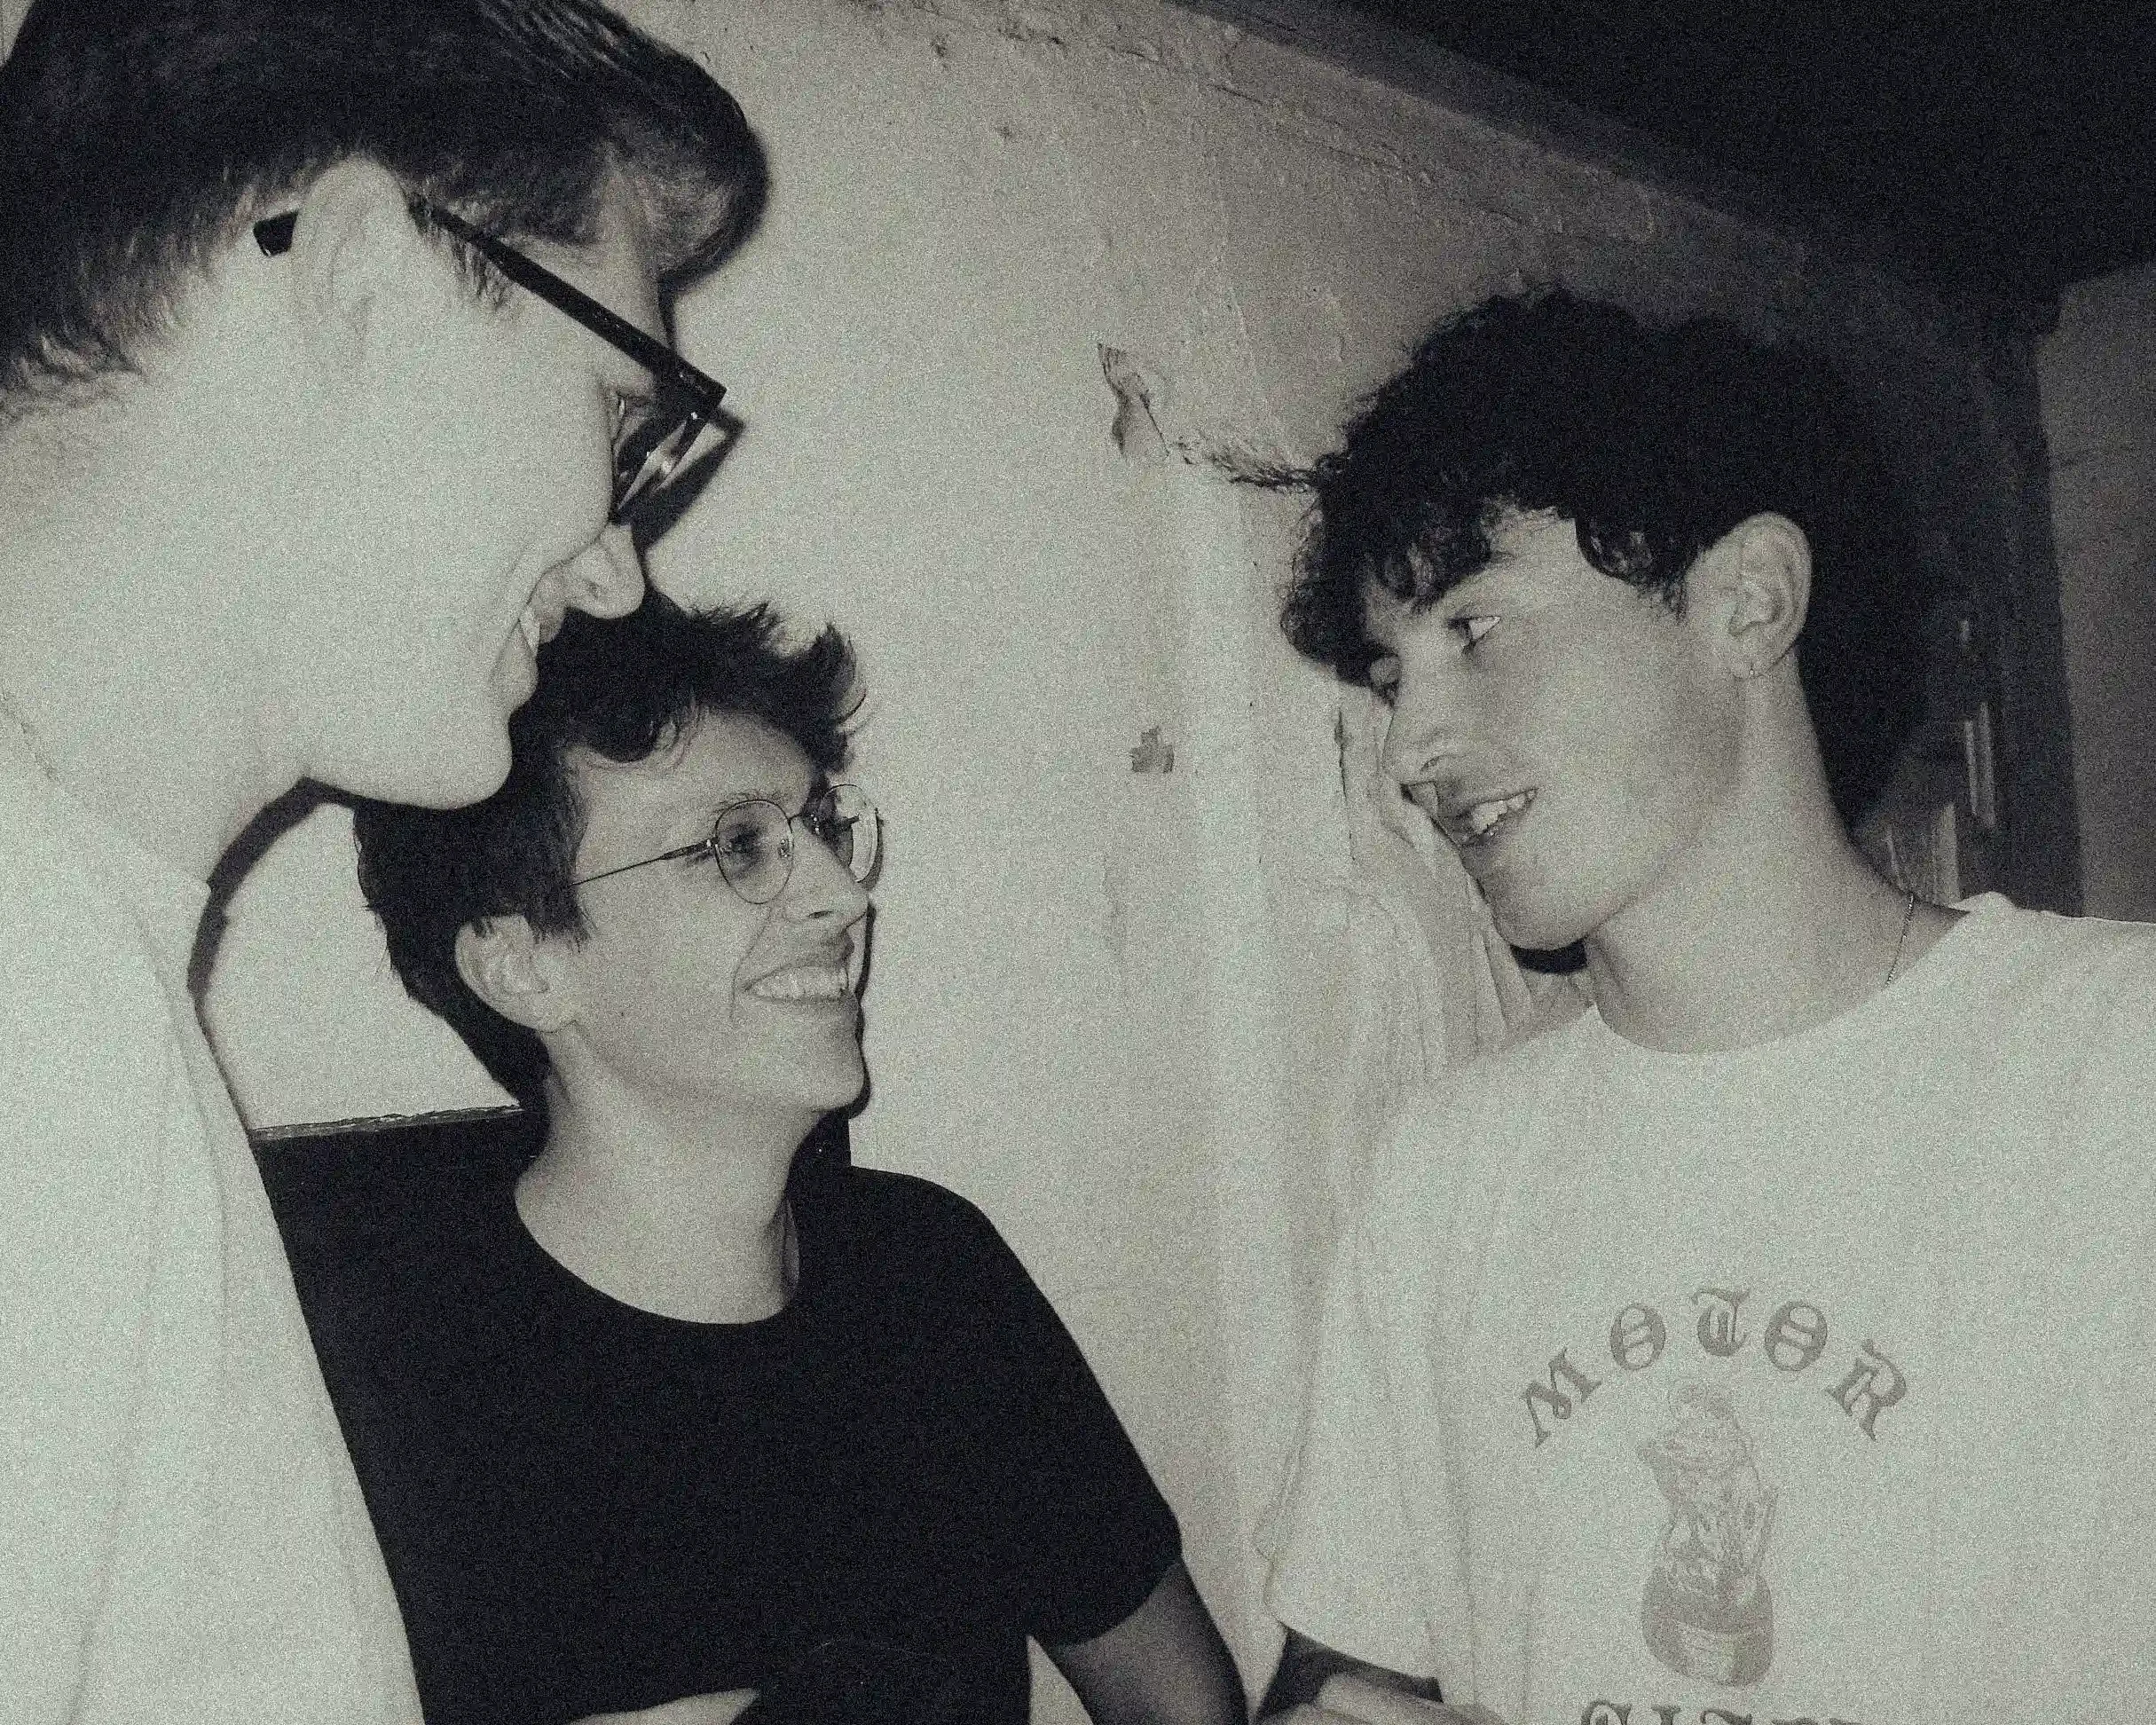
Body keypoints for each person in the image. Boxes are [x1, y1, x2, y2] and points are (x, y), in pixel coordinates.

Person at [0, 3, 766, 1719]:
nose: (624, 570)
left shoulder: (73, 964)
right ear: (355, 270)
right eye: (624, 417)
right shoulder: (24, 978)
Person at [1255, 288, 2156, 1723]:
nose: (1411, 747)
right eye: (1389, 672)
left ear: (1746, 602)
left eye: (1475, 629)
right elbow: (1344, 1664)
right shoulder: (1444, 1167)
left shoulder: (2116, 1070)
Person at [290, 591, 1251, 1725]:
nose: (844, 896)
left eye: (821, 827)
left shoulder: (931, 1275)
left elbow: (1183, 1705)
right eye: (737, 846)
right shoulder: (362, 1368)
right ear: (523, 966)